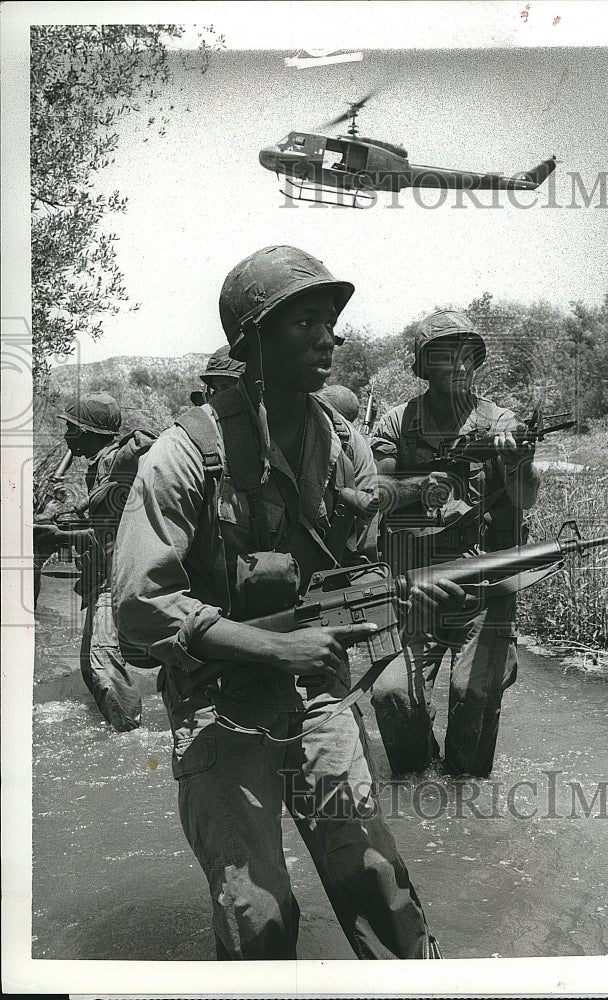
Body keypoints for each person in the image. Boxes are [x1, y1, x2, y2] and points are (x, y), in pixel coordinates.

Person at [112, 245, 459, 960]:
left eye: (330, 321)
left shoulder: (341, 443)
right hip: (218, 703)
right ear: (252, 341)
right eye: (303, 320)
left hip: (319, 694)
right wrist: (272, 646)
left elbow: (354, 569)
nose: (327, 336)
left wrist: (411, 586)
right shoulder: (182, 456)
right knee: (258, 910)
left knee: (374, 879)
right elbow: (140, 607)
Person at [370, 309, 541, 778]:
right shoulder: (396, 423)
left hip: (483, 575)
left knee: (473, 694)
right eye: (446, 358)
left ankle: (467, 798)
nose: (460, 367)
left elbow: (524, 497)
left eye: (468, 357)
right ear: (425, 366)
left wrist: (519, 461)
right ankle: (415, 783)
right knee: (392, 694)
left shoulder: (499, 420)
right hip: (411, 580)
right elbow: (377, 495)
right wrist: (426, 483)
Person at [34, 393, 142, 731]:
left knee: (104, 663)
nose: (66, 435)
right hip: (102, 578)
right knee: (89, 664)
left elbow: (111, 539)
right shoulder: (100, 467)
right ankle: (116, 729)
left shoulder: (115, 465)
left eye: (71, 428)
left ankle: (130, 740)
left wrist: (59, 537)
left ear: (88, 432)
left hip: (116, 578)